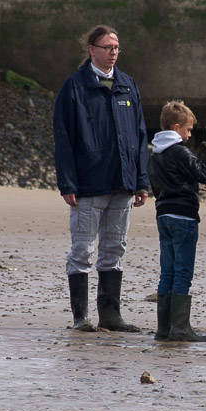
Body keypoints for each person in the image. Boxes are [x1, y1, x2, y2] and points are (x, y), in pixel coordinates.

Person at [54, 24, 148, 334]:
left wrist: (142, 181)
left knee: (114, 249)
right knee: (82, 251)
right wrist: (67, 184)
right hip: (87, 185)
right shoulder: (74, 87)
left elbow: (139, 134)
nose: (113, 53)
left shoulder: (127, 86)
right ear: (91, 49)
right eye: (107, 47)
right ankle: (81, 317)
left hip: (123, 183)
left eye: (117, 47)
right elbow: (64, 138)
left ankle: (111, 315)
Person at [147, 101, 206, 342]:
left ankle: (163, 329)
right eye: (188, 130)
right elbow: (203, 173)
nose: (189, 135)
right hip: (183, 217)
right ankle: (180, 328)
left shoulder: (155, 152)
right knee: (182, 272)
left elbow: (160, 184)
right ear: (176, 127)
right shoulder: (179, 150)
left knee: (167, 272)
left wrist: (191, 186)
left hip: (163, 214)